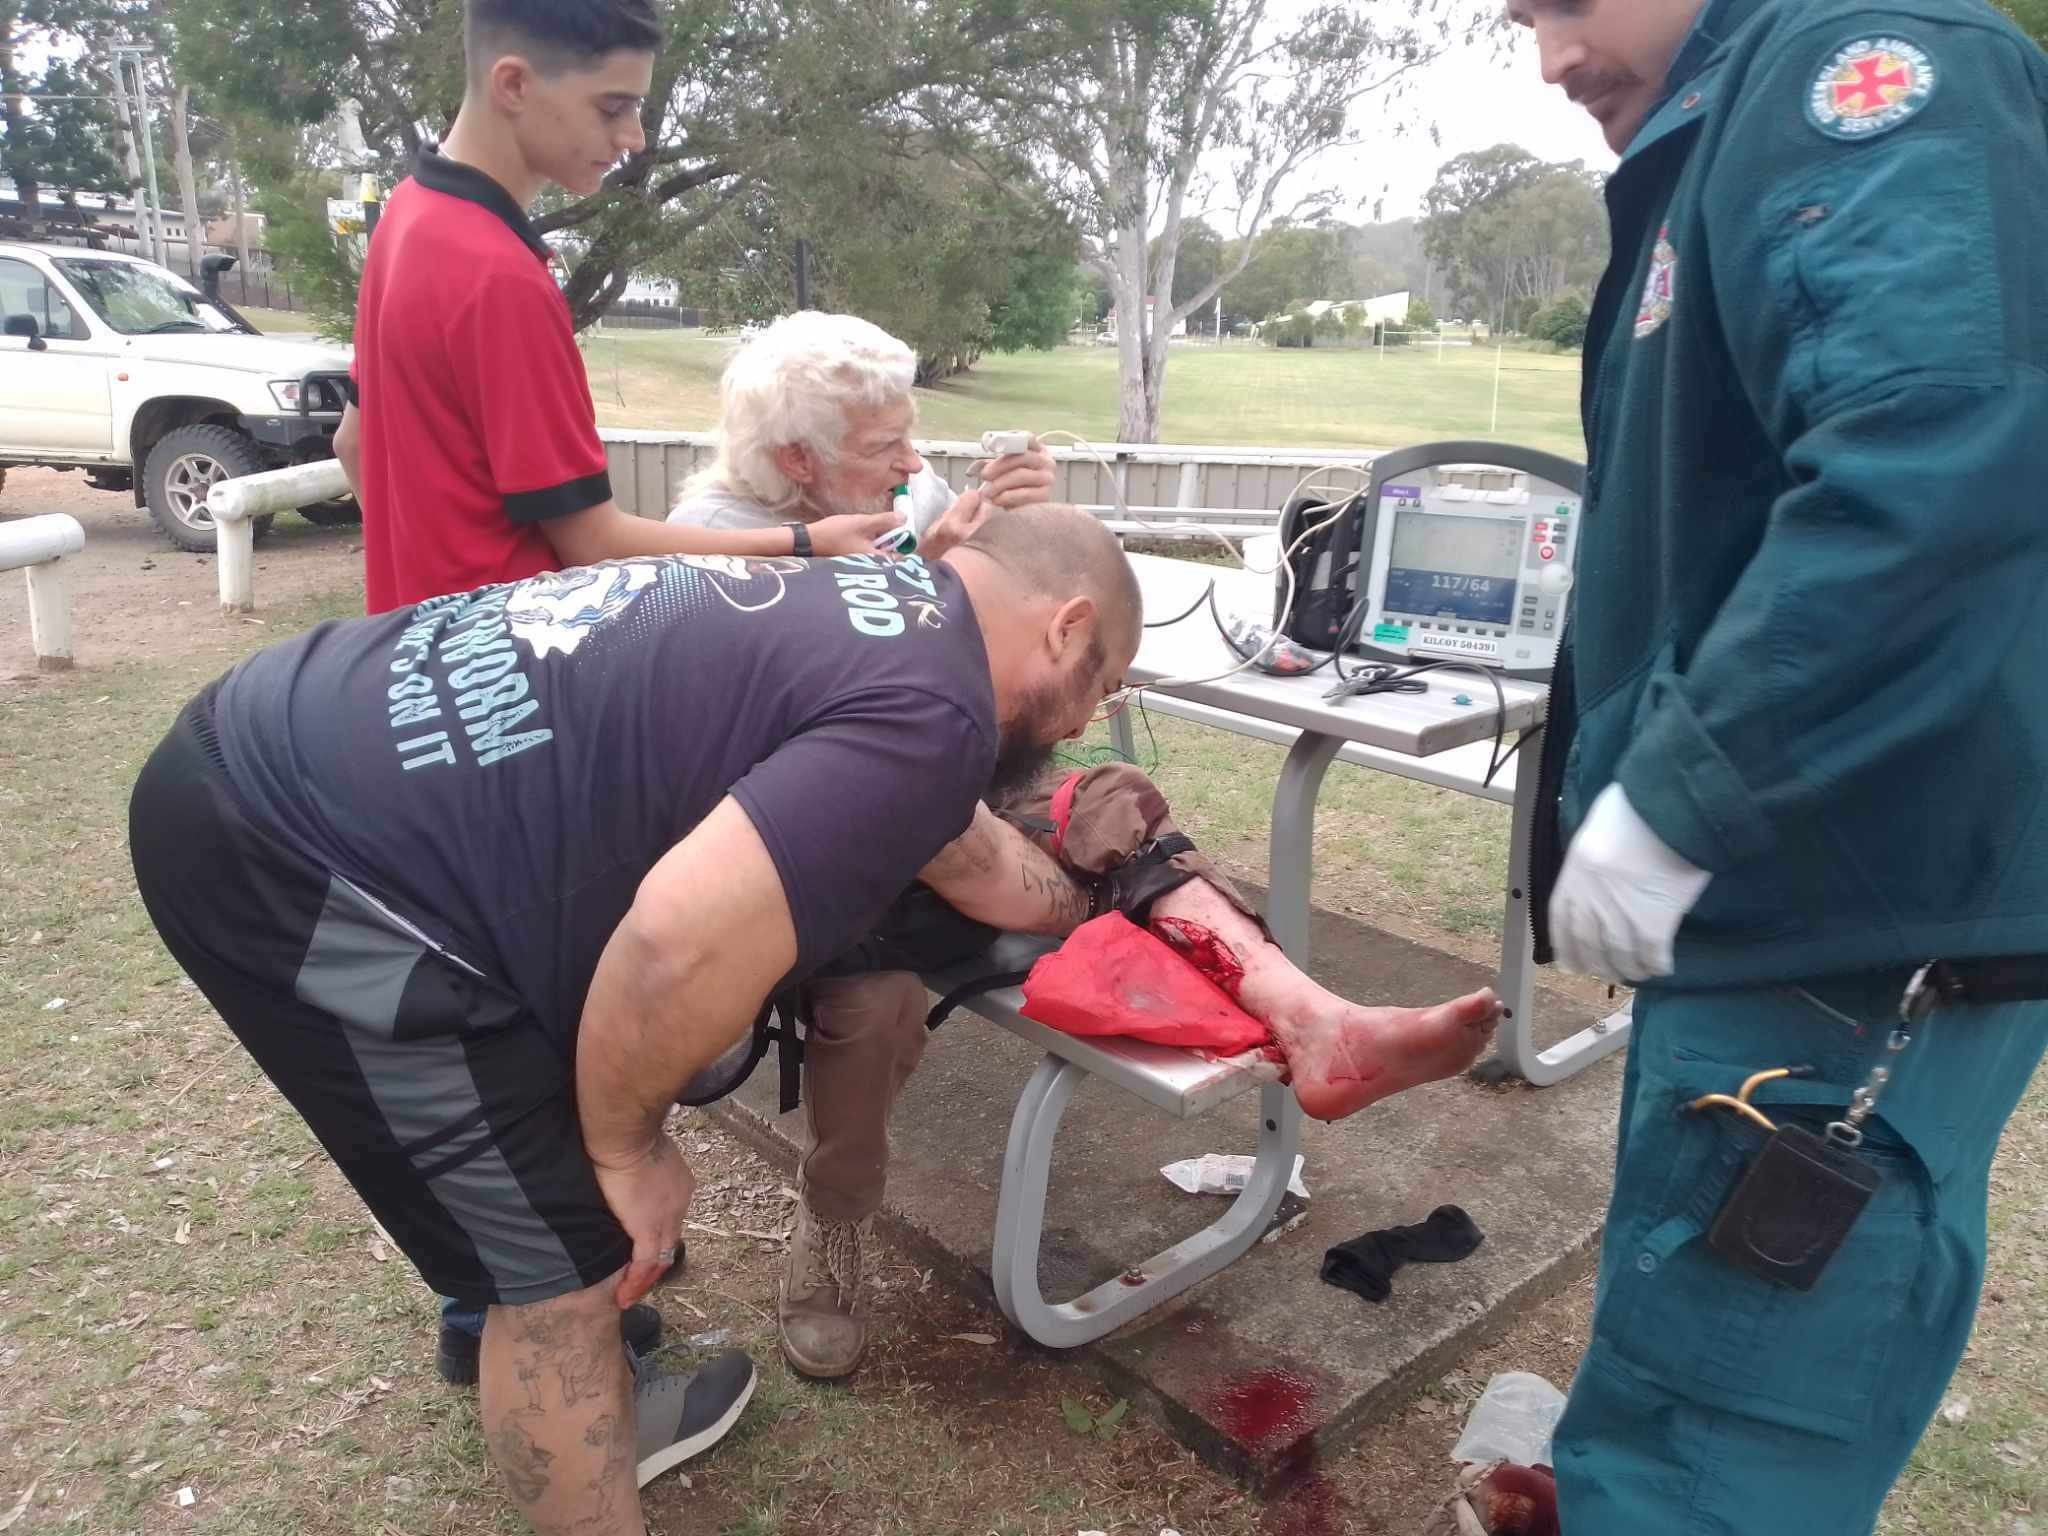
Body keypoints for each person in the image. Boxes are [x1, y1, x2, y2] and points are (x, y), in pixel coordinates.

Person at [130, 506, 1145, 1535]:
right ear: (1064, 627)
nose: (1073, 729)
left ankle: (596, 1398)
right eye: (1095, 691)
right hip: (304, 865)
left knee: (550, 1206)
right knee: (560, 1277)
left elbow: (968, 855)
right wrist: (628, 1144)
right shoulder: (940, 710)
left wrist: (1091, 894)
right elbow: (673, 944)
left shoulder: (872, 604)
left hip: (289, 729)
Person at [671, 310, 1507, 1380]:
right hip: (785, 869)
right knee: (874, 1001)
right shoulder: (723, 558)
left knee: (1113, 797)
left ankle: (1315, 1015)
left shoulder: (872, 501)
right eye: (887, 447)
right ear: (797, 459)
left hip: (918, 805)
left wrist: (995, 523)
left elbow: (975, 597)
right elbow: (936, 832)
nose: (913, 462)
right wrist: (1073, 892)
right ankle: (832, 1226)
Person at [1506, 2, 2048, 1532]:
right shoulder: (1731, 112)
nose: (1547, 59)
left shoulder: (1863, 70)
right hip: (1815, 910)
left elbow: (1934, 461)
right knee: (1688, 1357)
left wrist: (1686, 795)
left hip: (1840, 913)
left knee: (1709, 1453)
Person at [331, 0, 898, 618]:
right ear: (514, 84)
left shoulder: (408, 213)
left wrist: (418, 581)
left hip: (413, 654)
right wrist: (805, 542)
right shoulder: (498, 276)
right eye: (612, 107)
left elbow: (353, 444)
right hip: (511, 671)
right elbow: (594, 544)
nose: (633, 137)